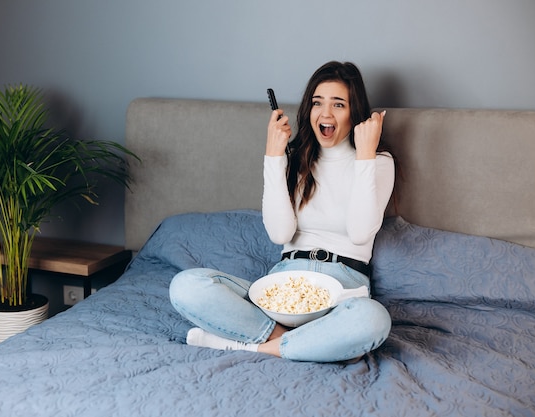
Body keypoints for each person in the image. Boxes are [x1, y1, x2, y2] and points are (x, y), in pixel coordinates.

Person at [169, 61, 395, 363]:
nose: (325, 114)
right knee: (185, 286)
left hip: (342, 292)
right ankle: (305, 343)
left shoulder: (378, 161)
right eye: (317, 103)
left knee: (373, 320)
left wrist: (365, 155)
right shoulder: (296, 159)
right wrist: (274, 156)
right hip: (282, 289)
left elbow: (359, 232)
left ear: (355, 111)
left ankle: (249, 347)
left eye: (338, 104)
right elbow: (280, 233)